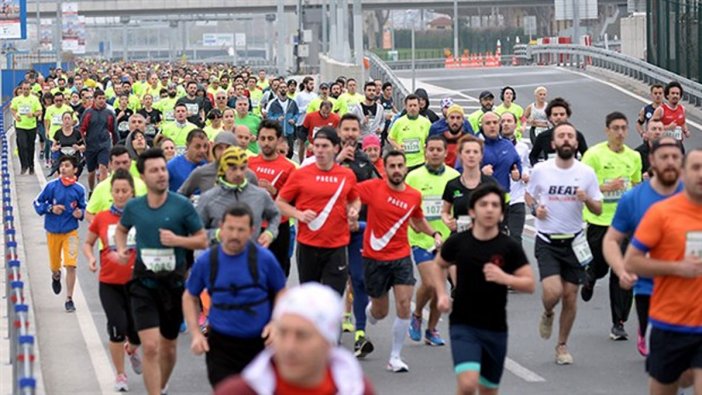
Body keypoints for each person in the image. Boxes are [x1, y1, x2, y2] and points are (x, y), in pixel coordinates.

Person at [114, 148, 208, 395]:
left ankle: (161, 385)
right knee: (152, 347)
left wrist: (178, 240)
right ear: (142, 177)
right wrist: (122, 249)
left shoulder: (182, 206)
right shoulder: (135, 207)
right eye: (154, 170)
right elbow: (122, 229)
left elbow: (201, 240)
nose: (161, 175)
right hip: (144, 284)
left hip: (174, 285)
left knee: (168, 348)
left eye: (163, 169)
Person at [431, 184, 535, 395]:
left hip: (495, 328)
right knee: (468, 384)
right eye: (483, 204)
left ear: (501, 213)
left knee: (488, 390)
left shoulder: (509, 247)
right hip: (464, 325)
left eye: (495, 205)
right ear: (472, 211)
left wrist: (505, 277)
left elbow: (529, 283)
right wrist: (442, 294)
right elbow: (438, 265)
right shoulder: (458, 242)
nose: (489, 209)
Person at [624, 148, 702, 395]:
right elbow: (632, 262)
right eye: (696, 168)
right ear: (682, 173)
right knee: (667, 387)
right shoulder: (662, 213)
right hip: (670, 323)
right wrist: (676, 267)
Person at [357, 150, 442, 372]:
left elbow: (417, 219)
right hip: (374, 257)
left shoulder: (413, 195)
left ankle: (395, 357)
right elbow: (349, 195)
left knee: (404, 303)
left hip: (401, 255)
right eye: (392, 166)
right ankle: (370, 311)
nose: (396, 170)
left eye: (400, 166)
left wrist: (433, 233)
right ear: (385, 169)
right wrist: (352, 210)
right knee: (380, 312)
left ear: (405, 168)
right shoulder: (373, 188)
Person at [525, 122, 603, 365]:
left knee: (570, 295)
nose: (566, 139)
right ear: (553, 143)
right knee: (553, 293)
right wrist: (535, 208)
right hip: (547, 240)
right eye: (562, 136)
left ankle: (561, 345)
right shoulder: (541, 170)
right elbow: (529, 194)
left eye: (570, 136)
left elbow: (598, 209)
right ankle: (548, 312)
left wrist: (587, 198)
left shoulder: (586, 172)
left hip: (574, 241)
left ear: (576, 143)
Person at [184, 203, 286, 387]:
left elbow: (281, 291)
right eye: (230, 229)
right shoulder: (208, 261)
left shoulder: (264, 259)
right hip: (222, 346)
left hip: (259, 344)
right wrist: (195, 334)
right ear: (221, 229)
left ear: (251, 231)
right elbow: (189, 296)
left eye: (241, 230)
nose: (235, 235)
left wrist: (276, 323)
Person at [214, 283, 376, 395]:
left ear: (328, 342)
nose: (289, 347)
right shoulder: (238, 391)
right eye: (283, 333)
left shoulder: (358, 389)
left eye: (302, 335)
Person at [603, 136, 683, 357]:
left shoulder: (692, 196)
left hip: (686, 286)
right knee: (662, 361)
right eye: (663, 157)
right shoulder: (633, 198)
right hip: (647, 287)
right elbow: (611, 241)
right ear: (652, 161)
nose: (669, 162)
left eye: (675, 157)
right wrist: (621, 270)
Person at [579, 112, 642, 341]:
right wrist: (606, 187)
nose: (620, 132)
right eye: (615, 128)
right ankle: (590, 278)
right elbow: (582, 187)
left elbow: (636, 185)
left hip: (624, 224)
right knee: (601, 267)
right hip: (599, 221)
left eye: (624, 128)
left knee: (621, 272)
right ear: (607, 130)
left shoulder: (634, 156)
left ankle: (619, 323)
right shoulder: (593, 155)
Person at [276, 128, 360, 295]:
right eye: (317, 146)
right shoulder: (301, 174)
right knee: (311, 301)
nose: (320, 150)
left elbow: (354, 199)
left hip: (336, 246)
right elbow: (280, 203)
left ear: (336, 148)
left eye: (325, 146)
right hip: (308, 246)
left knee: (333, 298)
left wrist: (354, 211)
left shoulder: (346, 175)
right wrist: (299, 214)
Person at [82, 169, 143, 392]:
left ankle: (133, 348)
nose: (120, 195)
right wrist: (90, 259)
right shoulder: (102, 218)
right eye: (116, 191)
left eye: (124, 191)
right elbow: (88, 243)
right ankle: (120, 374)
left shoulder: (141, 217)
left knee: (137, 329)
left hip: (137, 282)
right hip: (109, 282)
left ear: (132, 192)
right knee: (117, 327)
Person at [406, 136, 460, 347]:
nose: (435, 153)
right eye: (431, 149)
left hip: (447, 241)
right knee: (430, 283)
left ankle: (431, 329)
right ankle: (418, 314)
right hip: (421, 237)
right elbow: (407, 204)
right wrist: (412, 222)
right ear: (425, 151)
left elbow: (459, 207)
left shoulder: (454, 176)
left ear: (446, 153)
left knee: (440, 289)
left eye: (439, 150)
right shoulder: (413, 177)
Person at [32, 155, 87, 312]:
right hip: (52, 231)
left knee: (71, 264)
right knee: (55, 266)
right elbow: (37, 202)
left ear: (75, 170)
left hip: (71, 232)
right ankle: (55, 276)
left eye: (67, 166)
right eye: (62, 165)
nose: (63, 168)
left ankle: (69, 298)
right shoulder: (51, 187)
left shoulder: (79, 189)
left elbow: (84, 207)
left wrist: (80, 213)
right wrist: (51, 209)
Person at [196, 146, 280, 247]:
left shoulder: (260, 195)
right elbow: (196, 231)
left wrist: (269, 233)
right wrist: (217, 234)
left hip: (251, 257)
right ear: (224, 168)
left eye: (242, 168)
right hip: (218, 257)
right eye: (233, 168)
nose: (238, 173)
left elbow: (275, 214)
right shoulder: (208, 198)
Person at [249, 120, 298, 277]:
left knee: (277, 274)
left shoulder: (289, 167)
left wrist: (275, 191)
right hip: (253, 226)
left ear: (278, 141)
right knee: (253, 274)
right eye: (262, 138)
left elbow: (294, 203)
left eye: (270, 139)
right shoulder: (249, 163)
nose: (266, 143)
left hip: (278, 227)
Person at [441, 135, 499, 235]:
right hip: (459, 240)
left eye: (475, 152)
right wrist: (448, 221)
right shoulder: (452, 185)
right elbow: (444, 211)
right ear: (460, 155)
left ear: (481, 156)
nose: (471, 155)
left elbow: (499, 213)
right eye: (467, 152)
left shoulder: (490, 184)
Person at [529, 97, 588, 165]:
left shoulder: (577, 135)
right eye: (555, 114)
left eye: (562, 114)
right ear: (549, 117)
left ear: (567, 116)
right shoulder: (543, 137)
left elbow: (587, 156)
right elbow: (533, 156)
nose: (559, 117)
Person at [501, 112, 531, 244]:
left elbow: (527, 165)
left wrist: (524, 174)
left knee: (515, 237)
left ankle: (515, 264)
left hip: (517, 198)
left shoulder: (523, 147)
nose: (506, 124)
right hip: (498, 199)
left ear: (515, 124)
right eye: (503, 121)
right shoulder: (492, 147)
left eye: (509, 121)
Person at [79, 89, 117, 192]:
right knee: (91, 172)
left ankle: (102, 192)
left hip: (104, 145)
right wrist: (82, 143)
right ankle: (92, 191)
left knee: (103, 167)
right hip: (91, 145)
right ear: (94, 99)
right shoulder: (88, 113)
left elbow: (114, 130)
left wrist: (116, 145)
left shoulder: (109, 113)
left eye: (104, 98)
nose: (102, 101)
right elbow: (81, 129)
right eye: (99, 98)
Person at [388, 94, 432, 171]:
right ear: (406, 107)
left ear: (419, 106)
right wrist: (398, 147)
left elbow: (431, 140)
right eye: (410, 105)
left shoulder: (426, 122)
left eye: (415, 105)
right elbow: (390, 138)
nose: (412, 108)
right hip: (404, 162)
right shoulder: (399, 122)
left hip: (420, 161)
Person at [11, 81, 43, 175]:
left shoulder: (34, 99)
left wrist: (33, 114)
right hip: (20, 126)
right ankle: (24, 165)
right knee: (22, 145)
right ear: (21, 89)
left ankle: (31, 165)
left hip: (31, 126)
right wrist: (15, 115)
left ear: (30, 89)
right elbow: (12, 109)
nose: (25, 91)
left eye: (27, 89)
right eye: (24, 89)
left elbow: (39, 111)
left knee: (30, 147)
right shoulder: (17, 99)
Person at [265, 82, 299, 156]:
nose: (283, 89)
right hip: (278, 132)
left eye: (284, 87)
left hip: (289, 131)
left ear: (287, 89)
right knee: (278, 151)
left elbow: (297, 113)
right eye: (281, 87)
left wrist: (294, 119)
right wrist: (276, 119)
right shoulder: (273, 104)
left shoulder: (292, 102)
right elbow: (269, 116)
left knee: (290, 151)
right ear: (278, 90)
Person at [652, 81, 688, 145]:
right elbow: (652, 126)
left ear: (680, 96)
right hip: (663, 144)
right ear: (667, 95)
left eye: (677, 94)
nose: (675, 96)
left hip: (678, 144)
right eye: (673, 93)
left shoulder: (682, 109)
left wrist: (686, 131)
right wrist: (667, 127)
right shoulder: (661, 110)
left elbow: (683, 122)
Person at [50, 111, 85, 177]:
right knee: (58, 176)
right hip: (62, 158)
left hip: (74, 158)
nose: (67, 121)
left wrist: (78, 147)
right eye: (65, 119)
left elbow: (83, 146)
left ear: (72, 121)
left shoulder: (77, 133)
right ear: (62, 121)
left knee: (73, 177)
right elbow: (52, 148)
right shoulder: (58, 133)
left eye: (69, 119)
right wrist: (56, 148)